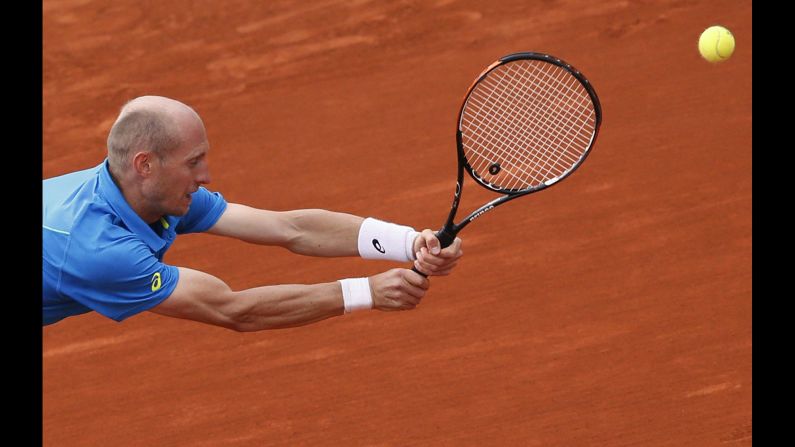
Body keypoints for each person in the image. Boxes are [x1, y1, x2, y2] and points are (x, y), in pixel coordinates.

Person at [42, 96, 463, 330]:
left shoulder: (149, 192)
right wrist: (366, 292)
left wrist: (407, 243)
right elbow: (234, 309)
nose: (206, 176)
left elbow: (288, 228)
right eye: (193, 162)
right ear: (145, 164)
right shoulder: (97, 249)